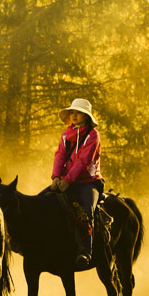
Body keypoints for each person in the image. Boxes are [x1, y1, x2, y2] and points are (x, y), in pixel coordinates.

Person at [52, 98, 104, 270]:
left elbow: (84, 161)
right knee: (44, 200)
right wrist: (56, 177)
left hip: (88, 182)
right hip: (67, 180)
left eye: (78, 112)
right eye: (72, 112)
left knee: (86, 210)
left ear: (86, 116)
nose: (74, 115)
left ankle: (85, 251)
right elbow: (60, 155)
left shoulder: (93, 136)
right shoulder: (66, 134)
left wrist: (67, 180)